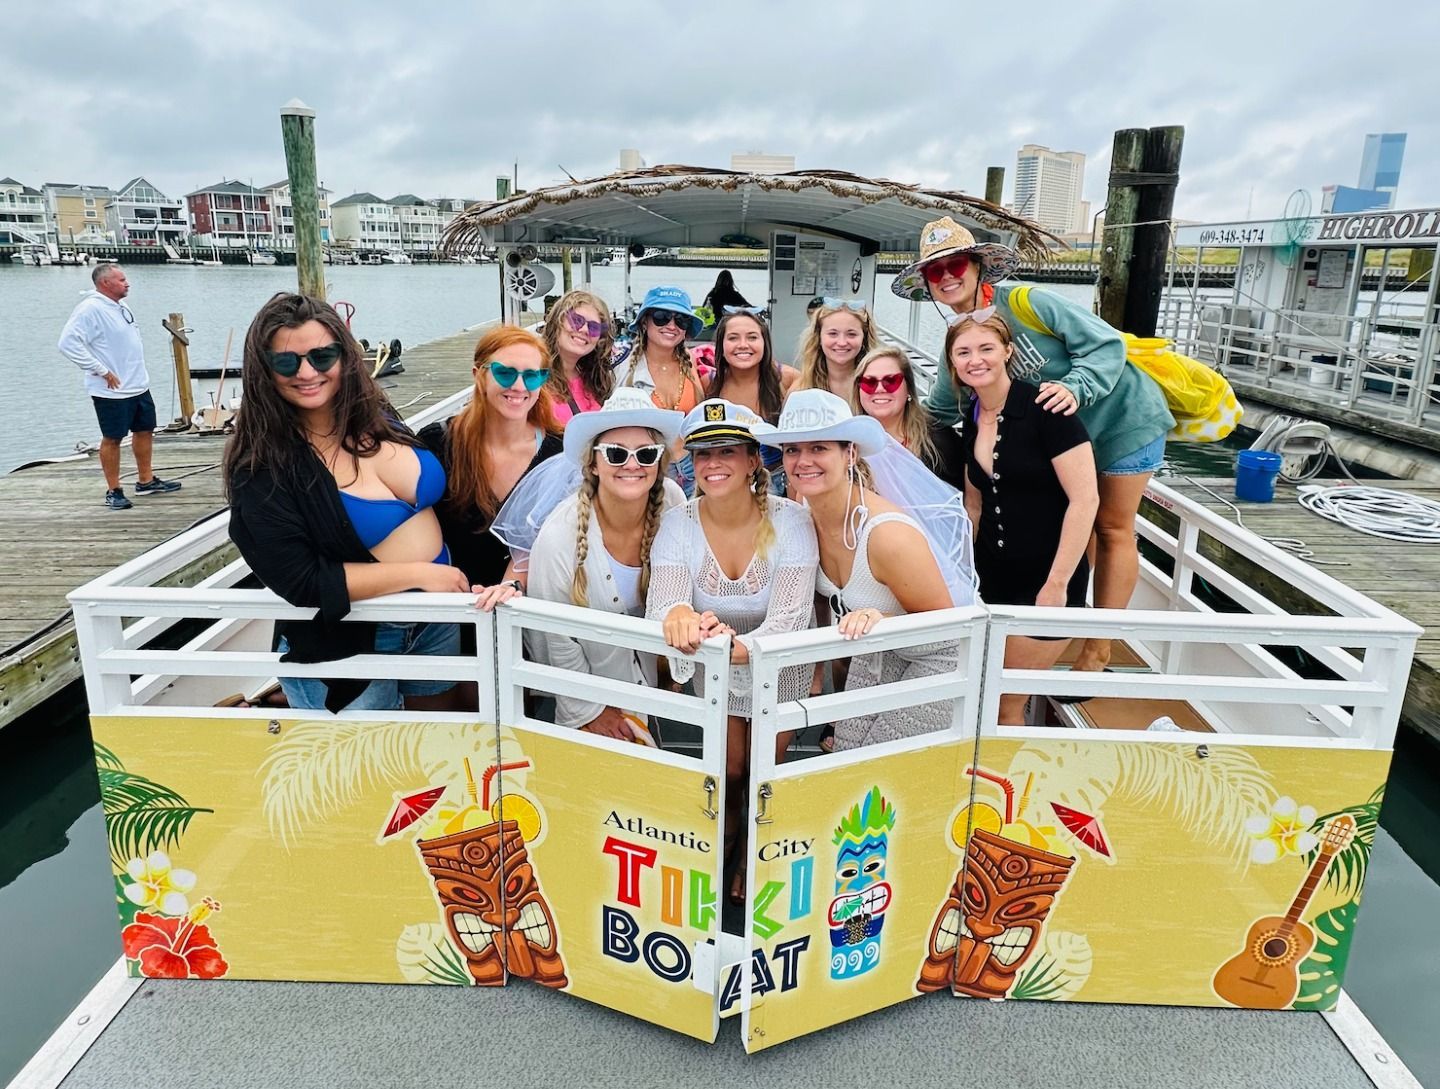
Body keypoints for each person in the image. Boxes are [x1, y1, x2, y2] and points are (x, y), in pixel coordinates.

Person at [893, 215, 1173, 675]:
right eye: (934, 271)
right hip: (1061, 442)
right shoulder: (961, 341)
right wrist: (890, 436)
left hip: (1120, 419)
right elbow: (942, 408)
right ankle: (1066, 616)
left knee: (1110, 526)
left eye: (955, 263)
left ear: (978, 265)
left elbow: (1105, 346)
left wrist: (1076, 387)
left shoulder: (1029, 303)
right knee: (1072, 519)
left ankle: (1099, 643)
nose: (946, 276)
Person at [223, 293, 467, 713]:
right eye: (286, 362)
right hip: (350, 640)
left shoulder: (375, 413)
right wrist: (420, 573)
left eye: (322, 356)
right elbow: (302, 582)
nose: (306, 372)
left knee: (435, 755)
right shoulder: (260, 468)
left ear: (344, 356)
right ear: (264, 370)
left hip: (436, 620)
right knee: (369, 770)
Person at [647, 399, 817, 901]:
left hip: (776, 665)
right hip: (716, 667)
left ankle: (749, 853)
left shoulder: (792, 522)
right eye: (702, 454)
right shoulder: (678, 523)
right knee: (730, 768)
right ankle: (724, 842)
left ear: (752, 461)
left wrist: (728, 645)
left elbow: (789, 616)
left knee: (762, 768)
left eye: (726, 451)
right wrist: (679, 616)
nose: (713, 463)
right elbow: (666, 599)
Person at [772, 389, 962, 750]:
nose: (802, 460)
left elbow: (949, 632)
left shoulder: (887, 535)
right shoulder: (803, 512)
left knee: (876, 767)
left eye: (819, 448)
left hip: (939, 660)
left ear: (850, 453)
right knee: (845, 754)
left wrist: (885, 617)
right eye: (792, 449)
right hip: (876, 651)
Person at [950, 314, 1098, 724]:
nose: (975, 360)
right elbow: (974, 504)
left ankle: (1008, 788)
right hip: (991, 578)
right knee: (979, 693)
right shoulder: (972, 418)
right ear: (952, 362)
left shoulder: (1048, 410)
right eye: (963, 352)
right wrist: (964, 574)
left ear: (1007, 352)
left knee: (1004, 702)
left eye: (986, 349)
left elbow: (1085, 501)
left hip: (1046, 578)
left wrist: (1057, 584)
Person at [524, 388, 686, 737]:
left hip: (654, 689)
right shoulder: (559, 537)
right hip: (587, 699)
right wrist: (592, 711)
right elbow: (556, 636)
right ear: (592, 464)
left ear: (660, 463)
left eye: (646, 454)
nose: (632, 464)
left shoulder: (673, 502)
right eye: (615, 453)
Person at [419, 325, 562, 599]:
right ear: (479, 376)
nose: (519, 387)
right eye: (505, 373)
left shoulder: (558, 452)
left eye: (532, 376)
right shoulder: (439, 444)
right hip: (452, 609)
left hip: (527, 610)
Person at [58, 264, 182, 509]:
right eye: (122, 279)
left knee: (145, 430)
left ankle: (146, 481)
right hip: (111, 390)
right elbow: (67, 343)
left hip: (137, 384)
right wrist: (100, 370)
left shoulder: (120, 305)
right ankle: (114, 490)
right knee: (113, 438)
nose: (127, 283)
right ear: (105, 283)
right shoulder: (90, 309)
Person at [615, 286, 707, 493]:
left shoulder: (691, 361)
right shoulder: (621, 366)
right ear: (645, 322)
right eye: (661, 317)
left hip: (692, 464)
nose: (671, 325)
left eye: (681, 320)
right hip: (648, 468)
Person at [705, 309, 799, 492]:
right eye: (733, 338)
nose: (742, 345)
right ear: (721, 345)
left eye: (752, 337)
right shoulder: (710, 383)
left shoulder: (788, 379)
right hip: (725, 483)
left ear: (765, 343)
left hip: (778, 484)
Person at [850, 345, 965, 489]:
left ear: (909, 389)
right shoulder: (847, 444)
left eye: (891, 381)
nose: (879, 389)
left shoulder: (938, 441)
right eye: (869, 382)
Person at [541, 290, 615, 425]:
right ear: (557, 322)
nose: (584, 330)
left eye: (594, 327)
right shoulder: (534, 374)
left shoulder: (596, 381)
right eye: (576, 320)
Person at [793, 298, 876, 400]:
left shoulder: (877, 387)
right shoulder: (800, 389)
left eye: (851, 334)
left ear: (864, 338)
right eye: (833, 334)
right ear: (819, 337)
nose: (842, 342)